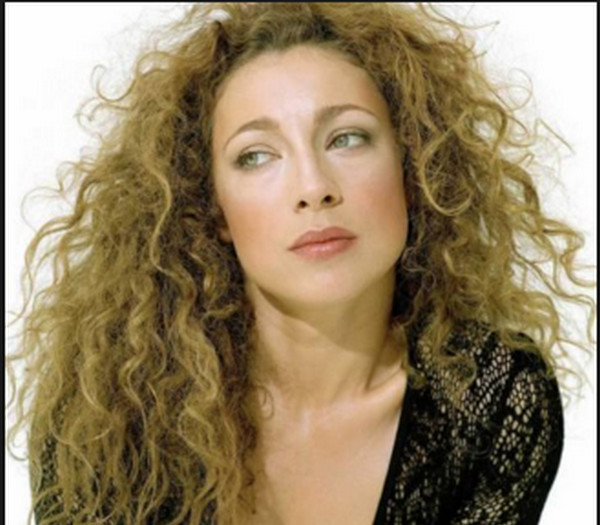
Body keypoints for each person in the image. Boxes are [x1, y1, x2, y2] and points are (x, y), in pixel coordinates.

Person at [5, 3, 596, 524]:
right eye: (256, 156)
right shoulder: (106, 411)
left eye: (347, 138)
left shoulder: (491, 396)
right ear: (210, 209)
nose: (313, 187)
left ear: (416, 168)